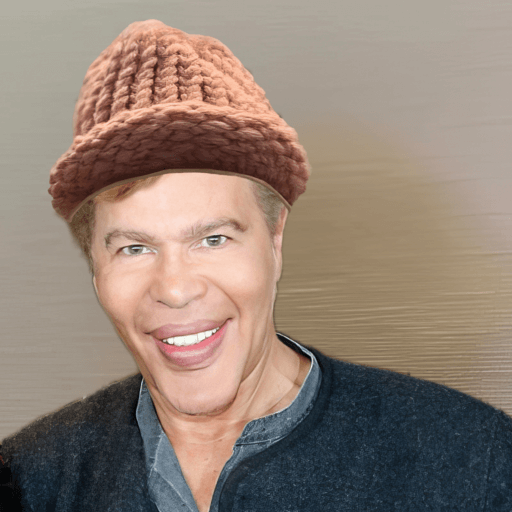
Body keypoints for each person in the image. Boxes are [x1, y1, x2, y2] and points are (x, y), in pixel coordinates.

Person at [1, 19, 511, 512]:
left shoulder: (471, 459)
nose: (175, 289)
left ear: (275, 239)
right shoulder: (29, 479)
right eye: (134, 248)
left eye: (213, 239)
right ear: (95, 267)